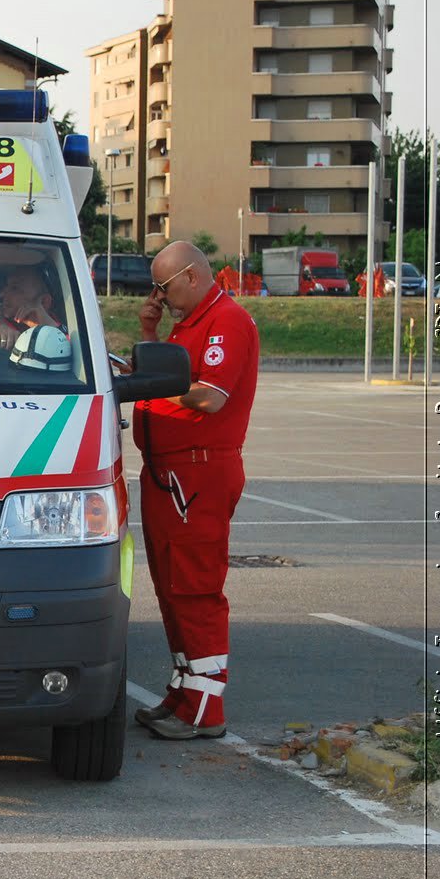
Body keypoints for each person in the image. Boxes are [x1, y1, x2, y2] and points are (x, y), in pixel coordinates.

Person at [132, 240, 259, 741]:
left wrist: (146, 386)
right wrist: (149, 334)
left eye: (163, 286)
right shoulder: (189, 326)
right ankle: (186, 687)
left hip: (197, 473)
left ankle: (205, 707)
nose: (160, 296)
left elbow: (207, 396)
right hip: (170, 471)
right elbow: (173, 375)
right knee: (170, 585)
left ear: (190, 275)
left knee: (194, 586)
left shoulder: (225, 321)